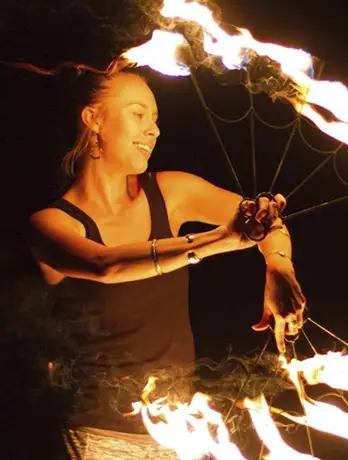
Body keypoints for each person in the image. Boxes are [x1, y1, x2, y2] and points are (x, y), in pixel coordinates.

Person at [26, 63, 306, 458]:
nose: (154, 130)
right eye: (138, 114)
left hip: (177, 433)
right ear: (93, 119)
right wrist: (220, 240)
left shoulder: (172, 191)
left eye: (155, 119)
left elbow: (265, 221)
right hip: (97, 435)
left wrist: (278, 266)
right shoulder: (50, 224)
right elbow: (105, 265)